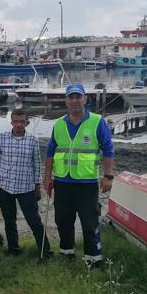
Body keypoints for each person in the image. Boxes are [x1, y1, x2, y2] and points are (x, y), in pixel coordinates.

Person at [43, 84, 115, 267]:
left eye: (78, 97)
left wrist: (108, 176)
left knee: (89, 223)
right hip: (63, 182)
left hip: (87, 183)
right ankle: (67, 254)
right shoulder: (59, 124)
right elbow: (51, 152)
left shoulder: (97, 122)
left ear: (85, 99)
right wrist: (47, 177)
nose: (74, 101)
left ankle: (94, 259)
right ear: (66, 101)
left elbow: (108, 149)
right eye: (71, 97)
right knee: (63, 220)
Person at [0, 108, 51, 258]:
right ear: (11, 122)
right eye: (15, 121)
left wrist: (37, 187)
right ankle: (13, 250)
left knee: (34, 221)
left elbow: (36, 164)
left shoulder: (32, 140)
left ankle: (45, 251)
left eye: (21, 121)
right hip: (5, 187)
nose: (18, 124)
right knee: (9, 221)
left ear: (27, 123)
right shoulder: (1, 138)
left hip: (26, 187)